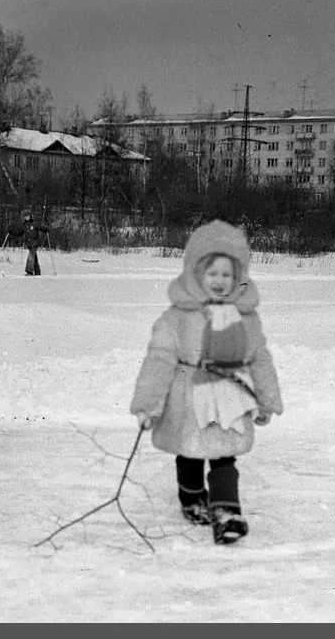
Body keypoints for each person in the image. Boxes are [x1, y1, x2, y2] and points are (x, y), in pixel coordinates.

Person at [130, 219, 282, 544]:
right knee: (189, 451)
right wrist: (148, 404)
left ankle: (226, 512)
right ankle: (192, 498)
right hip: (187, 396)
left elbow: (260, 359)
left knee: (224, 453)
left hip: (228, 394)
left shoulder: (246, 319)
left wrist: (268, 400)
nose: (219, 281)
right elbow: (159, 360)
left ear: (238, 277)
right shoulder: (177, 317)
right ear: (196, 274)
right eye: (212, 273)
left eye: (227, 274)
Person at [8, 209, 50, 276]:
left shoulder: (35, 223)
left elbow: (41, 227)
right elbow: (18, 233)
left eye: (28, 215)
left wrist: (46, 229)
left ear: (30, 216)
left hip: (35, 243)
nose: (27, 217)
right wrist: (11, 231)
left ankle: (29, 271)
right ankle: (37, 272)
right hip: (29, 244)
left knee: (30, 257)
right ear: (23, 217)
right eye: (25, 216)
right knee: (34, 257)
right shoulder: (23, 225)